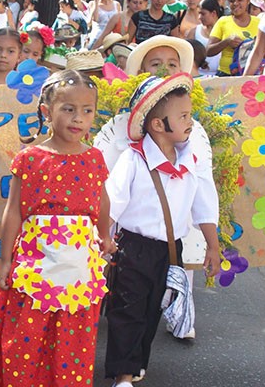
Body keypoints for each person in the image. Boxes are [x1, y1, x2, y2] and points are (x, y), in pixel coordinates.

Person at [0, 69, 116, 386]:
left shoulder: (95, 159)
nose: (78, 118)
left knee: (72, 340)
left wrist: (105, 236)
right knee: (27, 335)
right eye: (68, 109)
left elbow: (102, 203)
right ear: (46, 111)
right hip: (34, 265)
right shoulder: (30, 158)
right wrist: (7, 260)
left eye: (87, 111)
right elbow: (13, 212)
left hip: (80, 267)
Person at [104, 72, 220, 386]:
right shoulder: (133, 159)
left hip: (170, 249)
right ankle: (122, 374)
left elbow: (203, 203)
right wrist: (101, 240)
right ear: (158, 125)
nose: (190, 121)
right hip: (132, 247)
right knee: (128, 309)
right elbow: (111, 202)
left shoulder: (190, 160)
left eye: (190, 114)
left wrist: (213, 245)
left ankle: (136, 362)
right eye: (182, 116)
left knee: (154, 306)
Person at [207, 0, 260, 76]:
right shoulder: (223, 21)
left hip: (251, 75)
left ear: (248, 0)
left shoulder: (259, 22)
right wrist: (226, 42)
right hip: (225, 75)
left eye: (240, 0)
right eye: (232, 1)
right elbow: (208, 51)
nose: (235, 3)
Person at [186, 0, 222, 76]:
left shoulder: (225, 31)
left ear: (213, 13)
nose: (199, 17)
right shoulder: (194, 32)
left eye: (203, 14)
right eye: (199, 13)